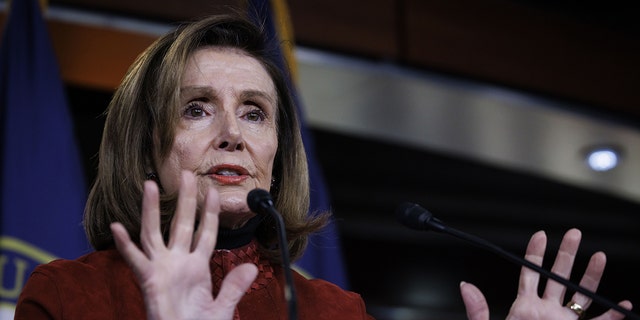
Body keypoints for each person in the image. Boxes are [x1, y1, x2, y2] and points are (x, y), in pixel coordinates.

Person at [14, 13, 632, 320]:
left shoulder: (334, 311)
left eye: (255, 113)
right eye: (197, 109)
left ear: (277, 154)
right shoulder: (69, 296)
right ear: (147, 142)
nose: (232, 134)